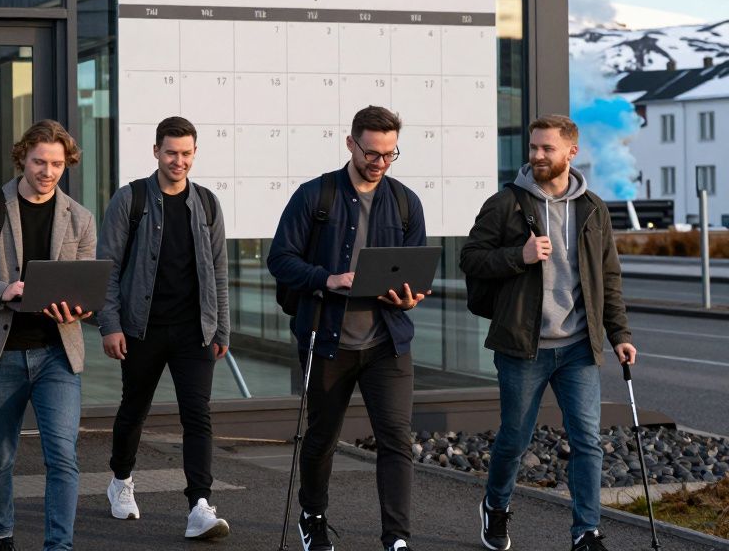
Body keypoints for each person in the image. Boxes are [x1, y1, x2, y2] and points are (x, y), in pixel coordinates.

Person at [460, 114, 637, 551]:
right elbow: (471, 258)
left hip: (578, 346)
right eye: (534, 147)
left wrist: (620, 334)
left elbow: (607, 277)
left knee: (587, 440)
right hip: (524, 346)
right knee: (515, 439)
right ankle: (496, 507)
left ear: (570, 153)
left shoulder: (593, 208)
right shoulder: (507, 204)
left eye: (547, 149)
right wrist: (517, 256)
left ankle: (586, 531)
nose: (537, 155)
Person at [267, 105, 428, 551]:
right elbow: (279, 259)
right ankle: (313, 515)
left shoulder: (404, 201)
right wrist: (327, 278)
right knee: (322, 438)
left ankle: (397, 538)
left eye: (390, 155)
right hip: (327, 340)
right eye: (372, 153)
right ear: (351, 143)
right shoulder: (314, 196)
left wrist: (410, 296)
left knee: (396, 439)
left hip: (387, 342)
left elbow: (414, 269)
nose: (379, 163)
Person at [0, 119, 97, 551]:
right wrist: (2, 291)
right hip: (1, 353)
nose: (47, 172)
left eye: (57, 164)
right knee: (0, 456)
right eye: (39, 162)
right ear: (22, 158)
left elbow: (86, 285)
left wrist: (81, 308)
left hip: (57, 354)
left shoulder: (81, 219)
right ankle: (2, 535)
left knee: (63, 457)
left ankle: (58, 547)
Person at [96, 116, 231, 539]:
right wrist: (110, 325)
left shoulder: (207, 203)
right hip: (142, 327)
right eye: (171, 152)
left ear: (195, 153)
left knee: (198, 415)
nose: (179, 161)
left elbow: (219, 271)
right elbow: (108, 268)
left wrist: (222, 329)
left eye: (187, 153)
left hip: (195, 330)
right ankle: (120, 480)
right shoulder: (130, 199)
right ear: (156, 151)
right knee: (134, 408)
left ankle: (200, 506)